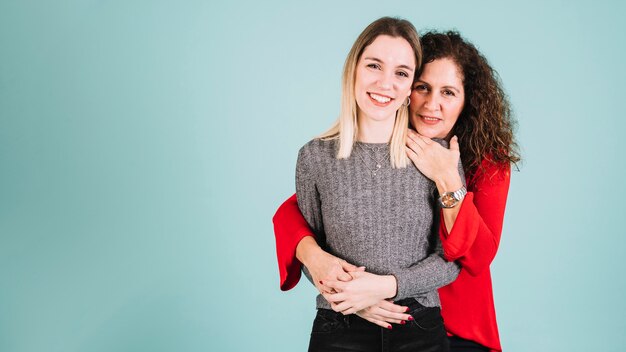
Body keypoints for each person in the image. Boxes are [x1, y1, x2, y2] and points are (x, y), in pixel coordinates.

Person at [274, 30, 520, 352]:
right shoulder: (371, 145)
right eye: (422, 87)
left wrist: (448, 179)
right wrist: (315, 257)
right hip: (366, 313)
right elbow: (297, 212)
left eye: (448, 93)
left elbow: (477, 256)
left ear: (467, 102)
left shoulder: (487, 163)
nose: (432, 104)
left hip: (454, 322)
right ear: (407, 90)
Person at [292, 17, 461, 352]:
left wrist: (386, 287)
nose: (386, 83)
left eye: (401, 72)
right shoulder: (314, 157)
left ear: (411, 85)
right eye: (374, 65)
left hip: (418, 325)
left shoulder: (436, 156)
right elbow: (312, 255)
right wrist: (352, 297)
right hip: (340, 326)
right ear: (353, 68)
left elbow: (453, 258)